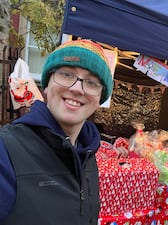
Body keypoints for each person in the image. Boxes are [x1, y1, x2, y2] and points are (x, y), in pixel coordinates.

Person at [0, 39, 113, 224]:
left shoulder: (88, 154)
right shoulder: (5, 152)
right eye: (67, 74)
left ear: (100, 98)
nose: (77, 88)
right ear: (47, 83)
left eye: (92, 82)